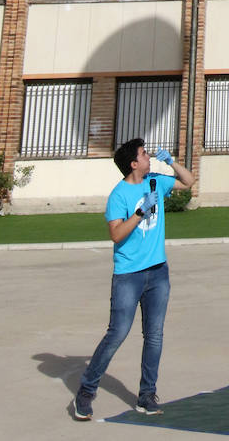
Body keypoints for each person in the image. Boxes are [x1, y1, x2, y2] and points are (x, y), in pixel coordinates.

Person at [74, 139, 196, 421]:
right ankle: (86, 390)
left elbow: (188, 182)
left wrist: (172, 163)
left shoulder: (155, 181)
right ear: (133, 164)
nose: (148, 156)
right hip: (128, 275)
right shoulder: (119, 195)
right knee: (117, 333)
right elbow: (116, 235)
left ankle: (146, 394)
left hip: (158, 272)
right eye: (143, 154)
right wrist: (141, 211)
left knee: (154, 335)